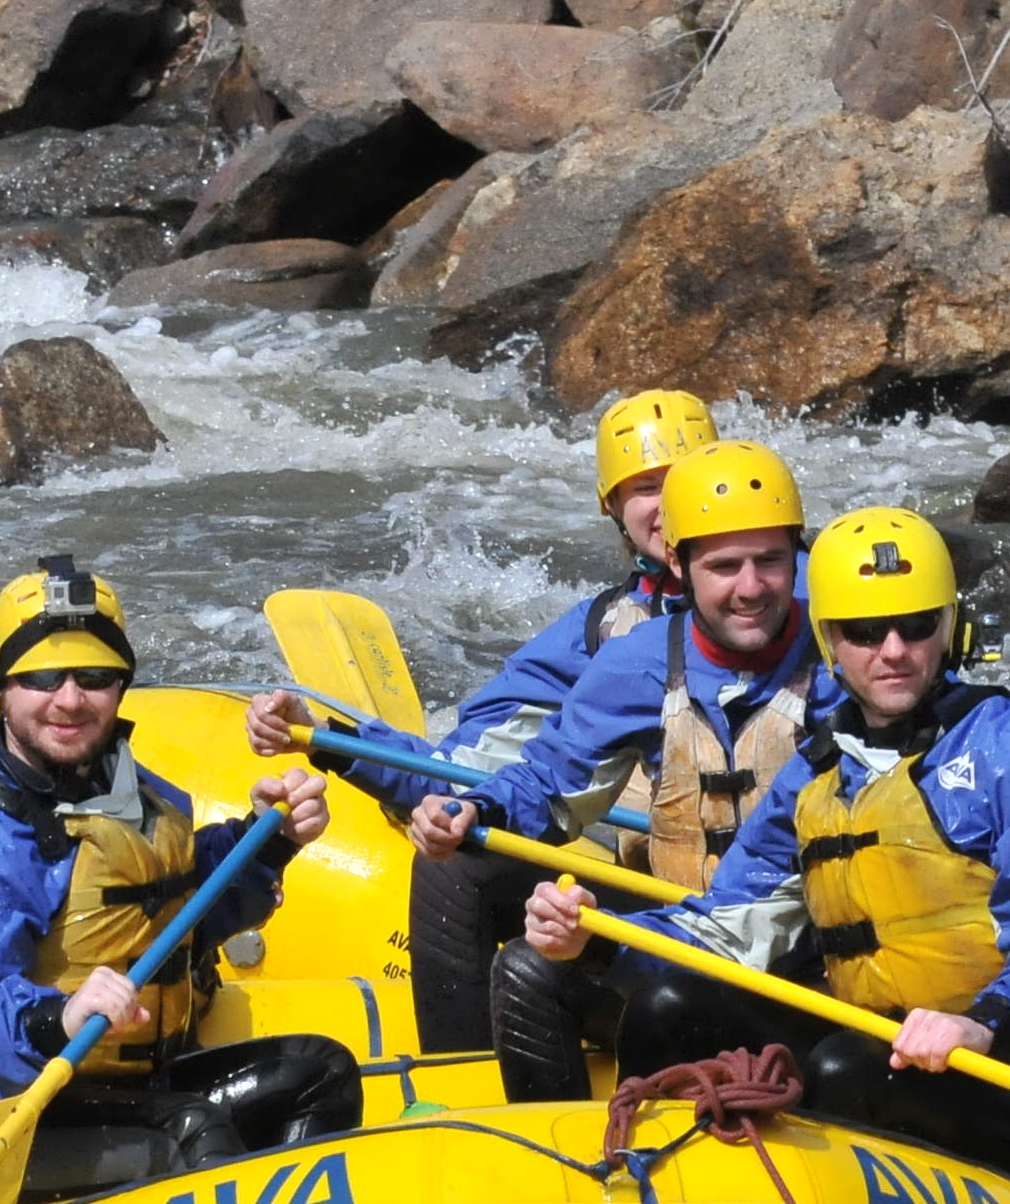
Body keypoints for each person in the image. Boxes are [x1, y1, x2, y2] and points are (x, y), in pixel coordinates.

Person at [494, 508, 1010, 1204]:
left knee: (842, 1070)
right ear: (831, 641)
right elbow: (730, 923)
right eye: (865, 632)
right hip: (884, 1040)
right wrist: (599, 939)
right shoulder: (820, 776)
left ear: (949, 628)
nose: (892, 650)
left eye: (916, 625)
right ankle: (650, 1199)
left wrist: (984, 1022)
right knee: (669, 1005)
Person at [240, 391, 719, 1053]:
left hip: (771, 915)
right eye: (644, 488)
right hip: (671, 901)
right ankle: (456, 1093)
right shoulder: (609, 633)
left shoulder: (836, 612)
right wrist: (330, 737)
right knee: (456, 869)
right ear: (611, 507)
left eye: (682, 481)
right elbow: (477, 766)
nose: (665, 506)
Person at [0, 558, 362, 1200]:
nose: (70, 699)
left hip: (113, 1089)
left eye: (95, 677)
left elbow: (173, 917)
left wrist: (266, 842)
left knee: (320, 1073)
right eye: (42, 677)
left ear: (122, 685)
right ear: (1, 687)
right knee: (190, 1133)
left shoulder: (136, 795)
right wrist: (56, 1018)